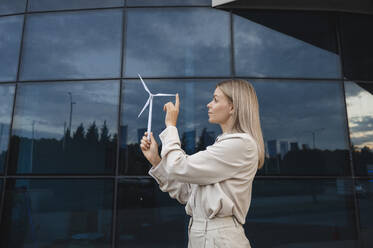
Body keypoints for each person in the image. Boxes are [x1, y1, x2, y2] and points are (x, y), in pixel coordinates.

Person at [140, 79, 265, 248]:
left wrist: (170, 126)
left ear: (232, 107)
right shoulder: (224, 145)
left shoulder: (241, 145)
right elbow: (187, 193)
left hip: (220, 238)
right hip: (202, 235)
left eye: (215, 99)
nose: (208, 104)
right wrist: (156, 160)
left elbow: (179, 167)